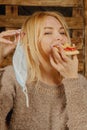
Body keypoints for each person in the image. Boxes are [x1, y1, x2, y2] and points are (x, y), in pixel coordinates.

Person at [0, 11, 87, 130]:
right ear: (29, 43)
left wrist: (71, 79)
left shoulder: (79, 83)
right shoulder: (13, 77)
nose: (59, 37)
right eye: (47, 32)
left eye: (62, 32)